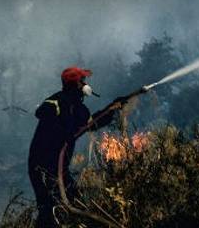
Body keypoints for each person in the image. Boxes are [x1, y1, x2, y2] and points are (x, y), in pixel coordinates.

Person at [27, 66, 139, 227]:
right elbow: (41, 112)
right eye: (82, 81)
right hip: (41, 166)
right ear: (75, 84)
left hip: (59, 168)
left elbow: (93, 123)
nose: (85, 84)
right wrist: (63, 125)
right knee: (48, 208)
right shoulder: (58, 101)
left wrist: (113, 107)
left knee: (72, 198)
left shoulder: (80, 110)